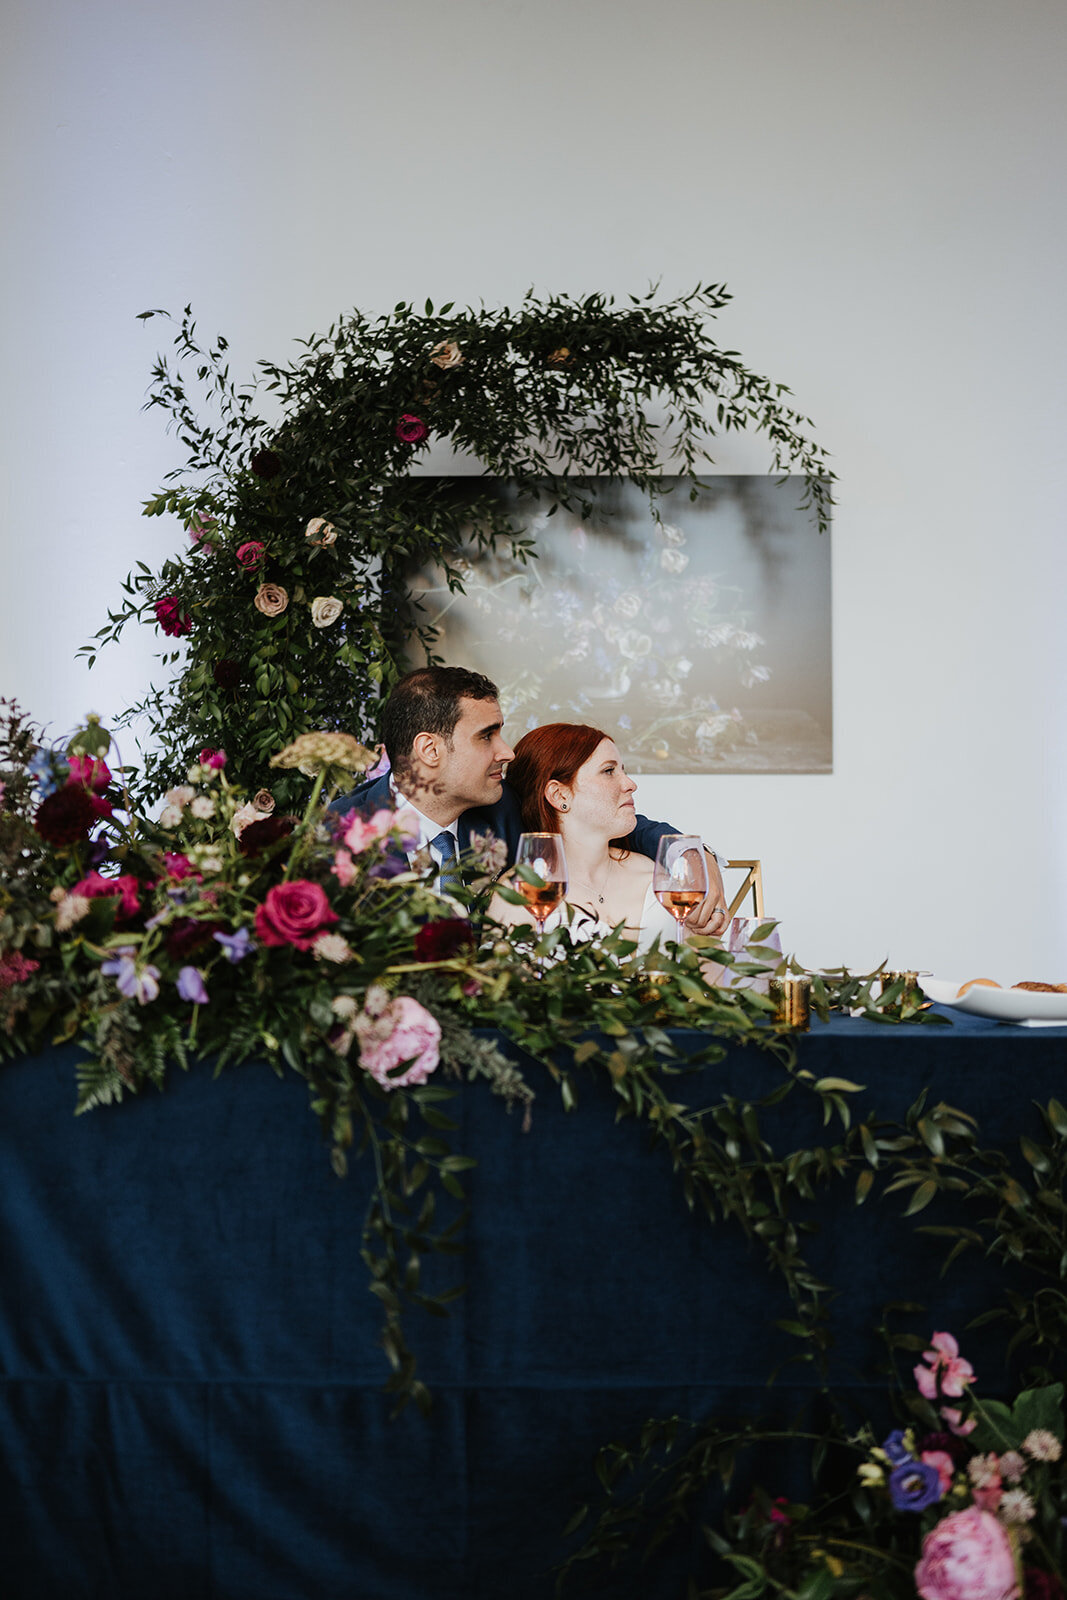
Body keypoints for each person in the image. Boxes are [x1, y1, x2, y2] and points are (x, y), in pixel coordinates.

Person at [332, 667, 728, 929]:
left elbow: (611, 822)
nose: (507, 752)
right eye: (487, 736)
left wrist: (689, 856)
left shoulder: (504, 808)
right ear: (430, 750)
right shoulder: (339, 836)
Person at [494, 721, 707, 953]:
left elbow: (706, 977)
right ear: (559, 794)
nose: (630, 784)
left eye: (623, 770)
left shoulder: (660, 880)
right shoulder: (522, 894)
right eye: (608, 771)